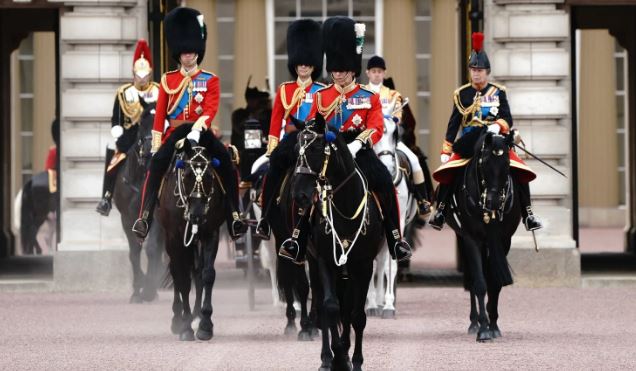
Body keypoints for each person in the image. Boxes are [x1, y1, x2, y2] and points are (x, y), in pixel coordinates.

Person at [278, 16, 412, 264]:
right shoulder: (321, 95)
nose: (337, 74)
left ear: (352, 70)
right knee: (305, 184)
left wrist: (359, 143)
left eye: (342, 70)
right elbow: (312, 123)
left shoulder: (367, 96)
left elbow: (376, 126)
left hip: (358, 149)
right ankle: (297, 238)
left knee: (383, 181)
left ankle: (395, 238)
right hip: (327, 151)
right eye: (334, 70)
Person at [131, 7, 247, 240]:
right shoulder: (168, 80)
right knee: (156, 166)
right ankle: (144, 217)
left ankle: (235, 215)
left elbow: (211, 108)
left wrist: (197, 128)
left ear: (198, 52)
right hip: (175, 132)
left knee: (226, 163)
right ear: (179, 54)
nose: (188, 55)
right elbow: (161, 114)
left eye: (192, 51)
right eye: (184, 52)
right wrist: (156, 143)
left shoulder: (210, 79)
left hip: (200, 131)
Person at [428, 32, 542, 232]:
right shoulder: (462, 94)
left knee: (519, 169)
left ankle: (528, 214)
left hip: (495, 140)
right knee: (450, 171)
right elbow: (453, 124)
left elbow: (507, 117)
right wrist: (446, 151)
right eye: (473, 69)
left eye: (480, 70)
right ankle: (442, 210)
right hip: (470, 143)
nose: (476, 74)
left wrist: (498, 126)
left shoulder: (498, 91)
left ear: (487, 72)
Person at [253, 19, 325, 239]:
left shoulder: (323, 90)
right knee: (273, 169)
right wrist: (272, 147)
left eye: (307, 64)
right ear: (295, 66)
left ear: (313, 66)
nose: (303, 67)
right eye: (300, 64)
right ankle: (265, 218)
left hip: (313, 140)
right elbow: (276, 122)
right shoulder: (284, 90)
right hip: (291, 138)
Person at [96, 40, 159, 216]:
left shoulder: (158, 91)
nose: (141, 78)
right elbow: (116, 118)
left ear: (150, 73)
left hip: (152, 135)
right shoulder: (123, 92)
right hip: (129, 136)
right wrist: (119, 137)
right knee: (113, 158)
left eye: (145, 74)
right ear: (133, 73)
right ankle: (106, 196)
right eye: (138, 74)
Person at [363, 55, 431, 216]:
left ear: (384, 73)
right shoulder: (361, 93)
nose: (377, 74)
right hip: (369, 140)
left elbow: (399, 114)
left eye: (379, 71)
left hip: (389, 139)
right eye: (373, 71)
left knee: (414, 161)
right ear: (367, 73)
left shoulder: (393, 94)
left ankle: (423, 201)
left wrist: (391, 119)